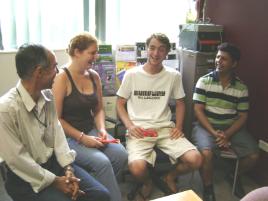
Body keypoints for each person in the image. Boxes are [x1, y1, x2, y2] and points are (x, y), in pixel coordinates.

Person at [0, 44, 110, 201]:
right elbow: (17, 160)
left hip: (55, 166)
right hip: (25, 178)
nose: (58, 72)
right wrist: (55, 181)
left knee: (100, 195)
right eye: (54, 67)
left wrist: (68, 168)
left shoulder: (47, 96)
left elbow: (58, 137)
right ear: (39, 72)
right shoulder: (5, 109)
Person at [116, 33, 202, 200]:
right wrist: (129, 126)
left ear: (166, 53)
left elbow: (180, 103)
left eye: (161, 50)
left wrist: (178, 127)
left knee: (196, 160)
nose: (156, 53)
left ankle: (169, 176)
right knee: (136, 168)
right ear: (147, 49)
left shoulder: (173, 75)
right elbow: (120, 103)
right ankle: (148, 182)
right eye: (152, 48)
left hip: (165, 129)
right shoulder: (132, 74)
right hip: (139, 130)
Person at [52, 32, 128, 201]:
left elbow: (99, 109)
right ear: (77, 52)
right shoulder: (61, 78)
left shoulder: (94, 76)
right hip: (68, 138)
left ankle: (100, 192)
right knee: (102, 163)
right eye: (92, 53)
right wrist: (82, 137)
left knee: (121, 154)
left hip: (91, 130)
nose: (96, 56)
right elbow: (57, 119)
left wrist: (101, 129)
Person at [191, 42, 259, 201]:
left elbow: (243, 116)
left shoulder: (241, 87)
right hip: (205, 126)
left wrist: (226, 134)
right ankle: (208, 188)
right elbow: (198, 110)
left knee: (253, 154)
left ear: (234, 63)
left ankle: (232, 175)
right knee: (206, 153)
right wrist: (215, 133)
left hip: (231, 128)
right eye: (217, 57)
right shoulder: (204, 81)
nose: (218, 61)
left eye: (224, 59)